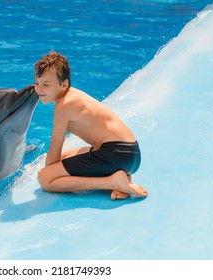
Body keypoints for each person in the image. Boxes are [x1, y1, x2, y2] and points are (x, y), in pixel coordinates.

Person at [34, 50, 148, 200]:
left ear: (64, 84)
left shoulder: (63, 106)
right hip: (130, 154)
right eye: (37, 83)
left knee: (45, 178)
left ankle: (111, 182)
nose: (39, 89)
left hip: (115, 154)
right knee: (63, 160)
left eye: (46, 85)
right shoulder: (74, 94)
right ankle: (121, 177)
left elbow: (53, 153)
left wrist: (51, 171)